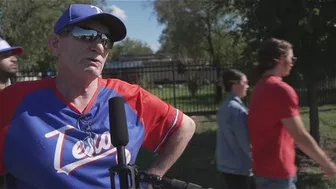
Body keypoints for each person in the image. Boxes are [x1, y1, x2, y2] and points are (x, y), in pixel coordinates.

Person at [0, 4, 196, 189]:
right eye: (86, 35)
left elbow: (185, 126)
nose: (99, 47)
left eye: (105, 40)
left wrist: (153, 176)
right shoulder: (14, 102)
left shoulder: (130, 97)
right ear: (55, 44)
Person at [247, 37, 336, 189]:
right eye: (291, 58)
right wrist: (326, 163)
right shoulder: (281, 90)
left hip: (262, 172)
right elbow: (300, 135)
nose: (293, 63)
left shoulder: (259, 89)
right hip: (278, 176)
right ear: (281, 58)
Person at [216, 69, 254, 189]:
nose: (247, 86)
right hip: (240, 167)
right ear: (234, 84)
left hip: (227, 164)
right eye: (245, 82)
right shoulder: (237, 110)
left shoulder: (225, 105)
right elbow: (245, 141)